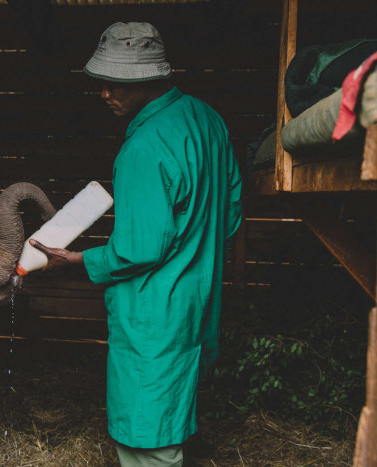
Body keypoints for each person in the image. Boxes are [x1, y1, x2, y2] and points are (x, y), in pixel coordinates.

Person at [29, 22, 242, 466]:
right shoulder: (207, 120)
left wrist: (76, 259)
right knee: (174, 405)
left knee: (149, 435)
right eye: (101, 81)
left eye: (116, 82)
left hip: (155, 310)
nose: (104, 92)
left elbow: (139, 249)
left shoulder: (143, 147)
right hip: (196, 297)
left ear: (149, 78)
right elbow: (231, 213)